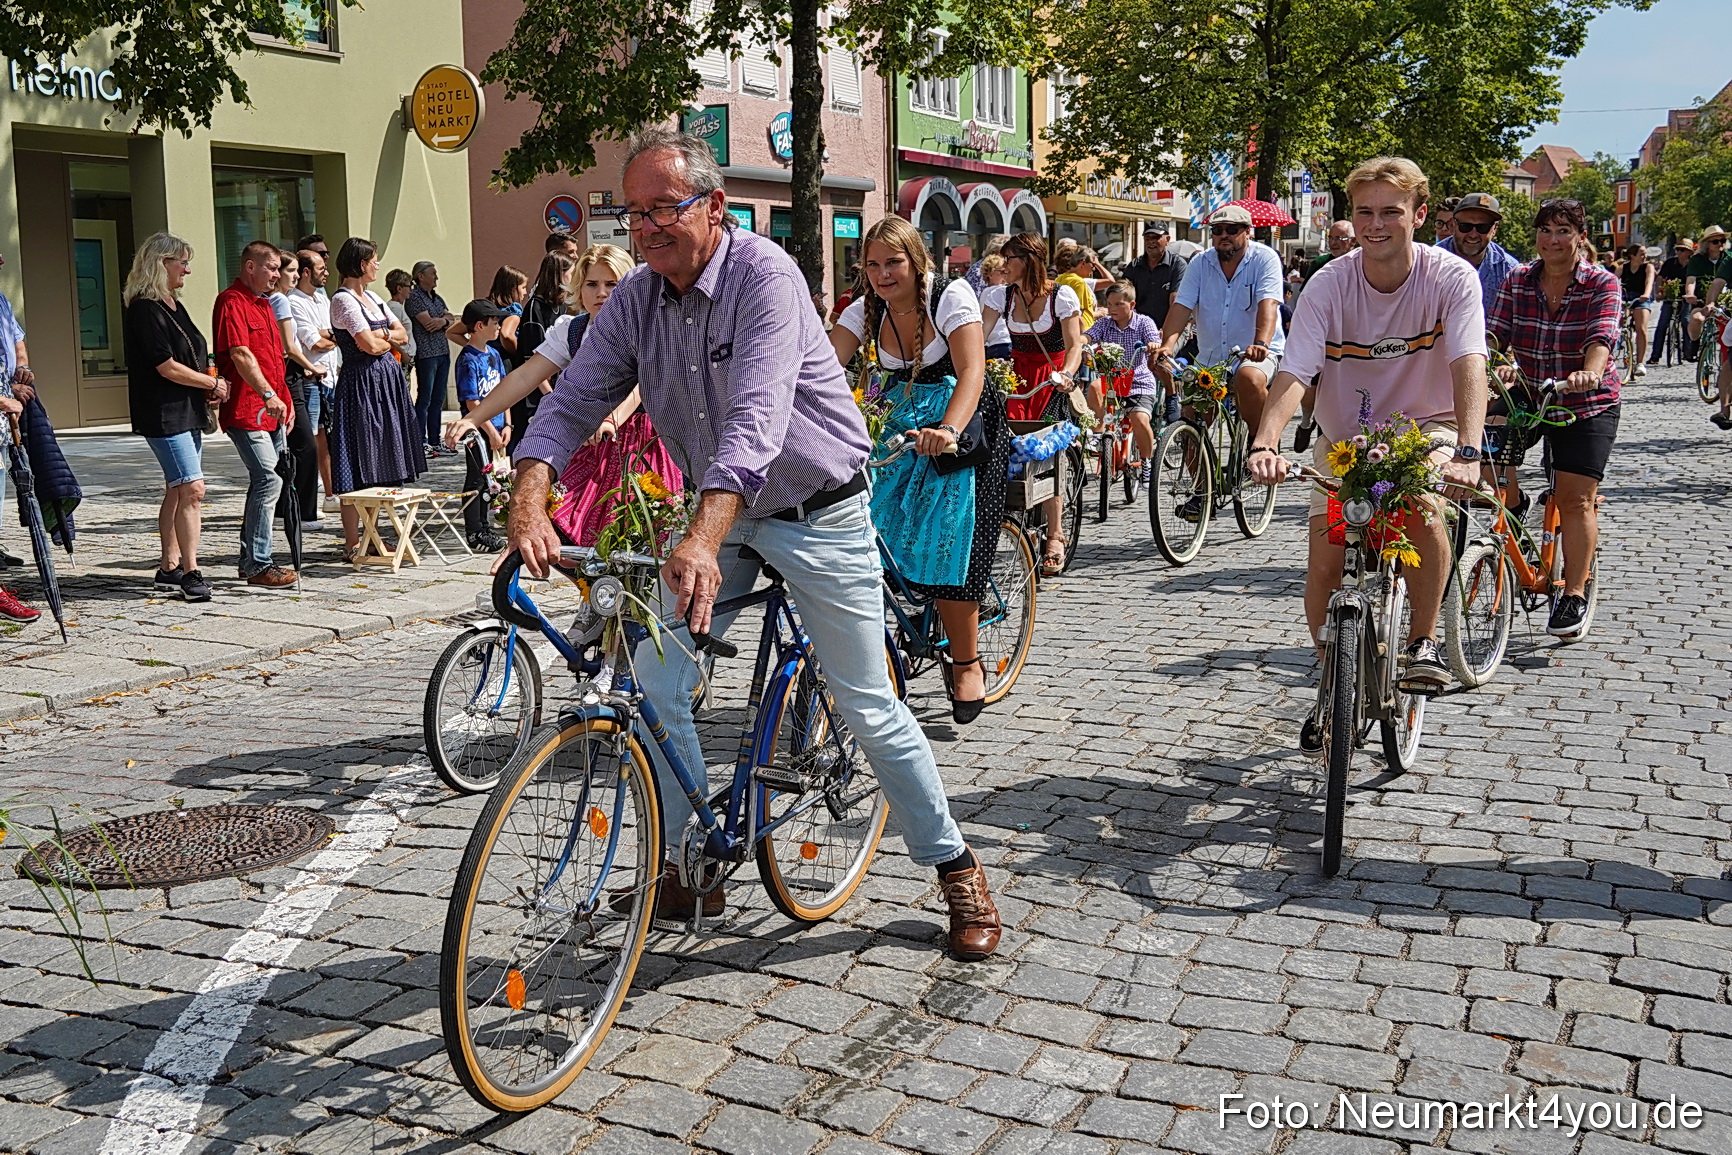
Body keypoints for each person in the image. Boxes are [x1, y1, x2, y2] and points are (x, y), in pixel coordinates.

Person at [506, 127, 1000, 957]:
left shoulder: (765, 276)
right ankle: (691, 863)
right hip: (721, 513)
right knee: (654, 678)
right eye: (634, 214)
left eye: (665, 207)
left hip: (816, 507)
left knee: (869, 704)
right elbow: (572, 399)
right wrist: (530, 496)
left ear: (716, 206)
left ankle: (953, 861)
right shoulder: (635, 299)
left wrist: (700, 536)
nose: (648, 228)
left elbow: (756, 421)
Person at [1248, 157, 1488, 737]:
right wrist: (1266, 440)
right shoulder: (1330, 283)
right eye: (1364, 213)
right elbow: (1295, 372)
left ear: (1421, 214)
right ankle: (1334, 682)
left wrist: (1469, 451)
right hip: (1345, 441)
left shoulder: (1452, 278)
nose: (1375, 225)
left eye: (1390, 211)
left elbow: (1467, 363)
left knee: (1422, 510)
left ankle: (1424, 642)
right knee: (1326, 562)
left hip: (1425, 428)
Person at [830, 215, 1008, 723]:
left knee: (949, 531)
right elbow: (821, 366)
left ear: (917, 261)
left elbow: (972, 371)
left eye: (894, 262)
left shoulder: (950, 297)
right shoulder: (864, 309)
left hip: (963, 426)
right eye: (873, 264)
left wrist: (948, 430)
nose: (884, 273)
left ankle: (967, 661)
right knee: (863, 521)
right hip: (897, 423)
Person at [447, 244, 684, 550]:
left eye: (611, 284)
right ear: (579, 289)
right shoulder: (573, 330)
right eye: (592, 284)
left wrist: (613, 418)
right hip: (583, 442)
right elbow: (524, 376)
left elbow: (642, 384)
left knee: (637, 540)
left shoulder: (645, 327)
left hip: (636, 442)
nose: (601, 293)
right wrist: (472, 418)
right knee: (568, 533)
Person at [1485, 198, 1620, 636]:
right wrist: (1494, 360)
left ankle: (1574, 593)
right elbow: (1493, 333)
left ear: (1580, 237)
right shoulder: (1518, 280)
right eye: (1545, 230)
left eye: (1563, 231)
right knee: (1481, 455)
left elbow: (1601, 336)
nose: (1553, 240)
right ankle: (1514, 500)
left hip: (1583, 400)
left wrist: (1590, 372)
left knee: (1574, 496)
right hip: (1527, 392)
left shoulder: (1601, 283)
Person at [1156, 202, 1286, 504]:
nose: (1223, 236)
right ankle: (1202, 494)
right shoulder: (1201, 263)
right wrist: (1166, 345)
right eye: (1217, 231)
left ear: (1247, 232)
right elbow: (1181, 308)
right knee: (1188, 424)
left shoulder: (1265, 258)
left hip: (1255, 353)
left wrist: (1261, 344)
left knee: (1248, 378)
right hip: (1211, 358)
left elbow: (1268, 304)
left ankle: (1260, 442)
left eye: (1232, 230)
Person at [122, 235, 225, 603]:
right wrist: (211, 382)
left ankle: (169, 567)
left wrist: (207, 383)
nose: (187, 268)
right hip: (163, 413)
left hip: (187, 409)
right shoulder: (145, 309)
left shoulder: (173, 306)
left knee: (178, 488)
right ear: (160, 262)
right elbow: (165, 366)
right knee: (193, 489)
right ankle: (191, 571)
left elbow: (191, 355)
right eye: (182, 261)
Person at [979, 233, 1087, 576]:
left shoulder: (1061, 296)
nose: (1003, 264)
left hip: (1051, 378)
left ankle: (1055, 533)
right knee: (1006, 447)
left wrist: (1067, 374)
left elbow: (1074, 345)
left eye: (1009, 258)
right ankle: (1015, 520)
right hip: (1017, 378)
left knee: (1047, 452)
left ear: (1027, 260)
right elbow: (977, 337)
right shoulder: (1000, 295)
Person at [328, 238, 427, 561]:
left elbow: (403, 334)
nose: (377, 265)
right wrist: (385, 337)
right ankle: (353, 539)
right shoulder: (343, 301)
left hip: (385, 381)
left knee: (383, 451)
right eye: (373, 260)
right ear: (360, 264)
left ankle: (374, 534)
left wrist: (382, 336)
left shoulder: (371, 297)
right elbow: (368, 345)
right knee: (360, 452)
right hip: (362, 383)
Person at [213, 241, 296, 587]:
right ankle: (260, 563)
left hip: (271, 409)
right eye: (272, 267)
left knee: (267, 481)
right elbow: (241, 354)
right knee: (268, 479)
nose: (277, 274)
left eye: (279, 269)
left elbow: (274, 359)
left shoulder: (263, 303)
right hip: (248, 409)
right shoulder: (231, 302)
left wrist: (284, 400)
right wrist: (267, 395)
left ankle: (250, 561)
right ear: (250, 267)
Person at [1085, 282, 1163, 494]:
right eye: (1109, 304)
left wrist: (1153, 345)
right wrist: (1083, 343)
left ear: (1132, 305)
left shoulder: (1143, 323)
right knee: (1093, 386)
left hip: (1138, 381)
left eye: (1118, 304)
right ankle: (1098, 434)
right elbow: (1089, 335)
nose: (1112, 309)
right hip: (1113, 381)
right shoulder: (1105, 324)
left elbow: (1154, 339)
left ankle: (1147, 461)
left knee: (1139, 419)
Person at [288, 248, 340, 520]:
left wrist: (331, 335)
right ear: (305, 272)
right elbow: (315, 342)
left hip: (331, 377)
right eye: (321, 269)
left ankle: (330, 496)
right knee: (306, 443)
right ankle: (300, 504)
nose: (327, 273)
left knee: (326, 442)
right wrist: (335, 336)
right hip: (310, 380)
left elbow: (335, 332)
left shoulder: (322, 300)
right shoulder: (294, 302)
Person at [454, 299, 510, 552]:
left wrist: (507, 424)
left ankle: (486, 525)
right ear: (479, 325)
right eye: (494, 322)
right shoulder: (468, 359)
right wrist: (490, 431)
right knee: (477, 479)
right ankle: (474, 531)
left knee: (492, 480)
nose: (498, 326)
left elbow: (503, 391)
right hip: (478, 431)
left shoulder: (494, 354)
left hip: (497, 429)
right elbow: (472, 401)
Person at [510, 253, 577, 450]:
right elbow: (531, 357)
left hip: (559, 389)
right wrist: (551, 396)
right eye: (571, 273)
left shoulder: (563, 306)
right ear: (559, 275)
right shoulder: (534, 308)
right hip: (536, 395)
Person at [1436, 192, 1521, 316]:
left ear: (1495, 229)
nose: (1473, 234)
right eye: (1466, 226)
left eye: (1482, 227)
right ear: (1452, 225)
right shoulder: (1431, 263)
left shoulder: (1509, 270)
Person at [407, 260, 454, 456]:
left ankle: (435, 439)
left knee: (438, 398)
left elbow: (451, 318)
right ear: (421, 276)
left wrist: (443, 321)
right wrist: (443, 321)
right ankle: (421, 440)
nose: (436, 277)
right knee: (425, 398)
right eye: (433, 273)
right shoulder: (415, 297)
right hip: (427, 354)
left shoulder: (437, 298)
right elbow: (428, 324)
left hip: (442, 351)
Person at [1649, 241, 1692, 364]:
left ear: (1689, 252)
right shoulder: (1670, 263)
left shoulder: (1692, 264)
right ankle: (1655, 356)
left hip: (1686, 297)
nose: (1679, 252)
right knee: (1662, 324)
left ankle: (1688, 352)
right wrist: (1659, 292)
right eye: (1678, 249)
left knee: (1686, 321)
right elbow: (1660, 277)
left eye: (1682, 250)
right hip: (1670, 296)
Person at [1685, 226, 1727, 348]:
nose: (1719, 244)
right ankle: (1694, 343)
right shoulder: (1696, 260)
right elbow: (1691, 279)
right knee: (1697, 319)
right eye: (1715, 241)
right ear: (1706, 244)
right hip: (1701, 301)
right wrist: (1690, 293)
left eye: (1722, 241)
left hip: (1725, 303)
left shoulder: (1728, 258)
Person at [1618, 243, 1655, 377]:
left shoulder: (1648, 267)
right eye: (1642, 254)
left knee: (1641, 328)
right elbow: (1612, 282)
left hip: (1641, 298)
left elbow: (1649, 282)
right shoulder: (1623, 268)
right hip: (1626, 297)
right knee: (1618, 320)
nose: (1645, 257)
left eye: (1645, 254)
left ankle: (1640, 363)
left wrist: (1646, 294)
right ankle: (1618, 345)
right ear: (1632, 256)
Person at [485, 265, 529, 365]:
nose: (525, 292)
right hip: (506, 361)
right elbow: (506, 335)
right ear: (513, 288)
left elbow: (453, 333)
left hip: (487, 361)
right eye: (523, 287)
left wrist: (479, 349)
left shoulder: (487, 308)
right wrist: (519, 355)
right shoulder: (513, 309)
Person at [383, 268, 419, 381]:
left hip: (405, 360)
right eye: (409, 286)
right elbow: (390, 335)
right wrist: (403, 354)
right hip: (401, 360)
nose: (411, 290)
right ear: (399, 288)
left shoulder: (397, 307)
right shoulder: (395, 308)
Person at [978, 255, 1012, 358]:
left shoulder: (985, 292)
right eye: (1001, 272)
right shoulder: (995, 291)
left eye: (1006, 272)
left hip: (995, 343)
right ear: (990, 274)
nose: (1005, 275)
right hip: (1002, 341)